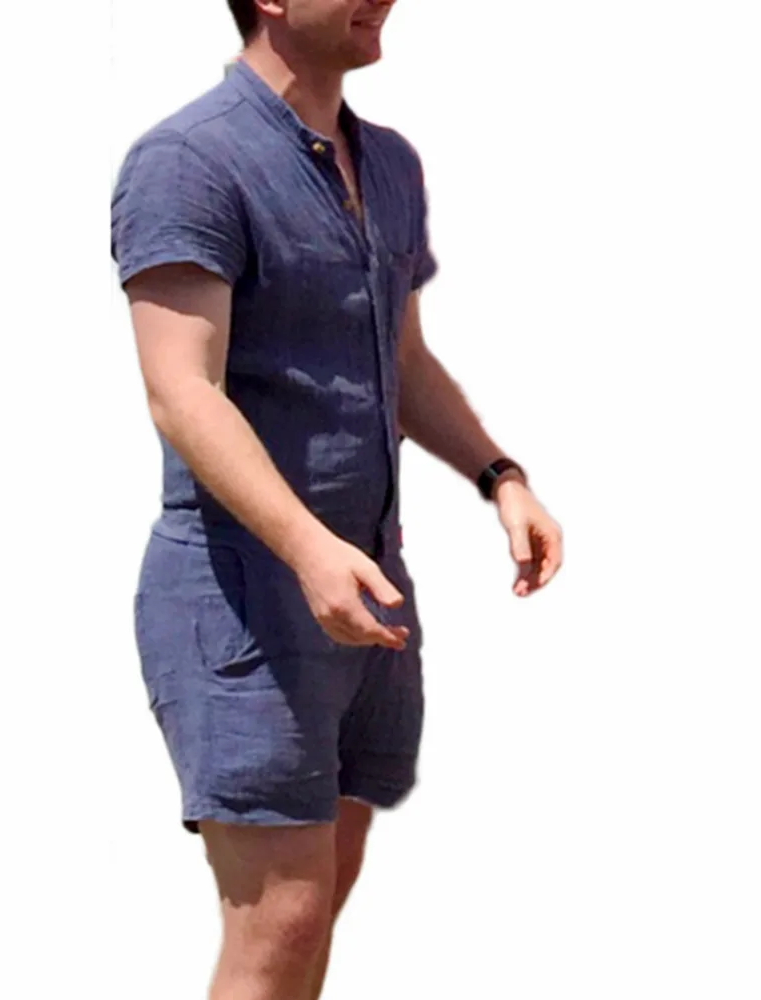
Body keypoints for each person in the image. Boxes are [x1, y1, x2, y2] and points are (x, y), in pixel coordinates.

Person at [110, 1, 563, 996]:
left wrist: (500, 476)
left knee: (315, 916)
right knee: (277, 922)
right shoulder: (188, 161)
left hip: (367, 590)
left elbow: (403, 360)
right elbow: (181, 390)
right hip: (243, 593)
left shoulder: (389, 163)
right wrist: (307, 548)